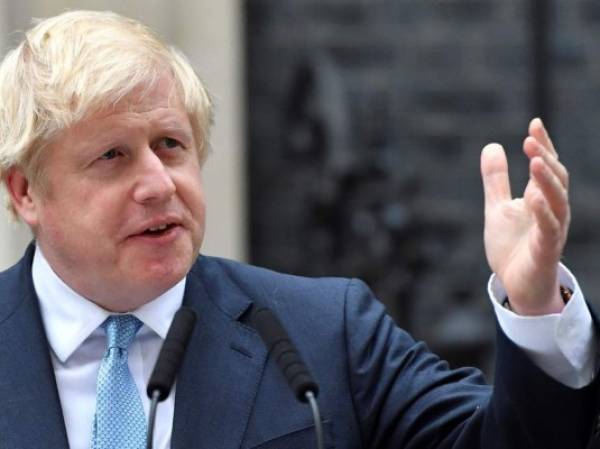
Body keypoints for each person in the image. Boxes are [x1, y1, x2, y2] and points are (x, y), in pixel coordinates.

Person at [0, 10, 597, 449]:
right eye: (112, 156)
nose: (159, 183)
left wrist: (536, 302)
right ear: (26, 191)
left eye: (170, 145)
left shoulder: (323, 333)